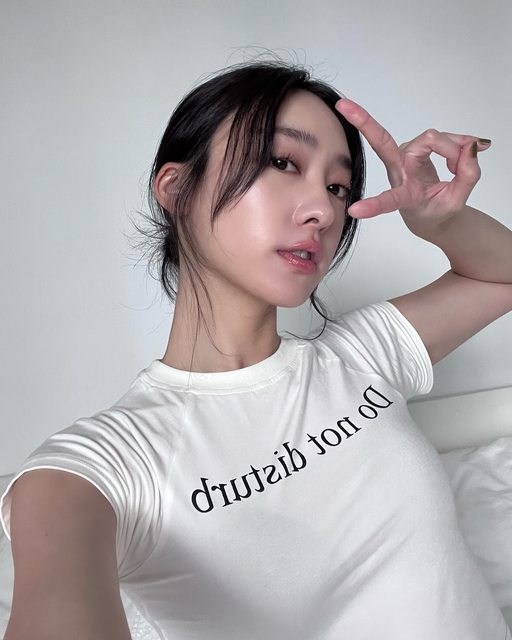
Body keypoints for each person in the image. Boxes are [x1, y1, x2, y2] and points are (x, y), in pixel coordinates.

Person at [2, 59, 512, 640]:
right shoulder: (103, 464)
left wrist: (442, 222)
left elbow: (501, 276)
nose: (323, 210)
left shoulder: (362, 356)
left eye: (338, 187)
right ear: (176, 188)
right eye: (283, 163)